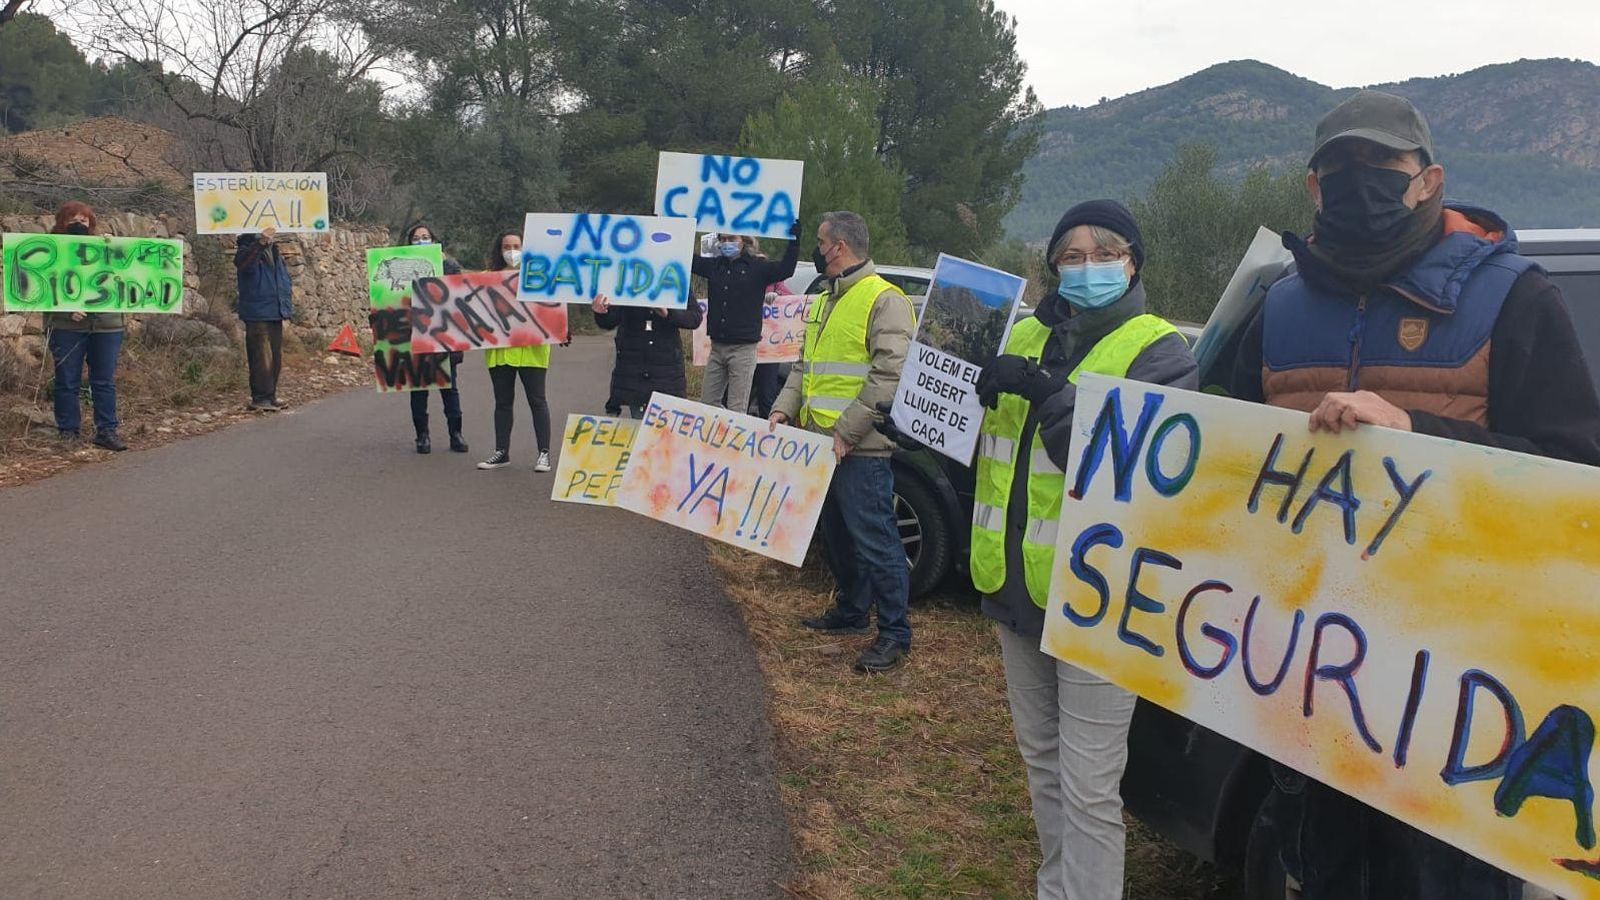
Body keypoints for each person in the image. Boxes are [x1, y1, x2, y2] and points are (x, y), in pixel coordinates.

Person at [1229, 90, 1600, 899]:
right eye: (1340, 168)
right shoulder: (1278, 307)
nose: (1360, 181)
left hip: (1460, 712)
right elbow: (1215, 470)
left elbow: (1578, 481)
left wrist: (1418, 432)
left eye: (1383, 167)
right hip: (1312, 692)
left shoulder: (1516, 297)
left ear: (1429, 179)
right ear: (1314, 189)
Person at [969, 201, 1196, 900]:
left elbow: (1122, 475)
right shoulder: (1029, 335)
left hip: (1101, 599)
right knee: (1042, 764)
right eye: (1072, 255)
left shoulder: (1162, 351)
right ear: (1052, 268)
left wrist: (1046, 395)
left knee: (1091, 783)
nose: (1088, 266)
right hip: (1017, 588)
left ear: (1133, 262)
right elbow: (995, 464)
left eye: (1106, 253)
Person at [770, 211, 916, 674]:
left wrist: (845, 432)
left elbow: (889, 375)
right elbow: (803, 367)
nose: (816, 248)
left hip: (859, 448)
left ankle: (894, 634)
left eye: (819, 241)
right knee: (837, 536)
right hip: (820, 444)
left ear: (839, 247)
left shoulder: (884, 300)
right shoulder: (823, 301)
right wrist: (782, 407)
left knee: (876, 540)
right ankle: (852, 613)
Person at [43, 201, 128, 451]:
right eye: (72, 219)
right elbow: (39, 285)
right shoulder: (49, 251)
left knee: (104, 381)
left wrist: (114, 250)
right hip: (65, 326)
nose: (79, 224)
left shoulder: (104, 247)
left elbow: (122, 279)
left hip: (107, 324)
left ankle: (107, 430)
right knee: (67, 380)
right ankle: (68, 432)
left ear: (91, 224)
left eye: (84, 219)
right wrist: (66, 306)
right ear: (61, 222)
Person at [693, 225, 800, 414]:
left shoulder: (758, 267)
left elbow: (786, 269)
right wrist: (672, 230)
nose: (727, 243)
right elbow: (688, 260)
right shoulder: (715, 266)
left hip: (743, 349)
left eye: (731, 238)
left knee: (737, 408)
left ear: (744, 240)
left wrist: (794, 240)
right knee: (707, 404)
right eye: (723, 239)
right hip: (717, 346)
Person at [477, 229, 553, 472]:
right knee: (502, 402)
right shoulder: (487, 278)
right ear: (499, 251)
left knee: (537, 400)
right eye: (506, 247)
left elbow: (553, 305)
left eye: (516, 246)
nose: (512, 251)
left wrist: (560, 329)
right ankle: (502, 452)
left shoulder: (539, 276)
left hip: (532, 349)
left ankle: (544, 453)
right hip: (500, 350)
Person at [402, 222, 467, 455]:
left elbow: (461, 300)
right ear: (409, 243)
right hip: (413, 336)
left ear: (434, 240)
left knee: (450, 388)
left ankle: (456, 434)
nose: (421, 241)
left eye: (425, 237)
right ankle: (422, 436)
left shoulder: (448, 265)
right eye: (417, 238)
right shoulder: (401, 266)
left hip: (444, 336)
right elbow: (389, 302)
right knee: (419, 389)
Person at [593, 289, 703, 420]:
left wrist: (668, 313)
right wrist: (601, 313)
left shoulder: (675, 274)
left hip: (667, 371)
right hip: (633, 368)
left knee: (664, 435)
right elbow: (610, 320)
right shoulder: (627, 278)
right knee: (639, 425)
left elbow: (694, 318)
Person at [235, 226, 293, 411]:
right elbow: (244, 265)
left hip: (275, 310)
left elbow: (281, 279)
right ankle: (260, 398)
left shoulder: (273, 251)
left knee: (275, 356)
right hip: (257, 310)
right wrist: (259, 243)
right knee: (261, 356)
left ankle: (270, 395)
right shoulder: (246, 249)